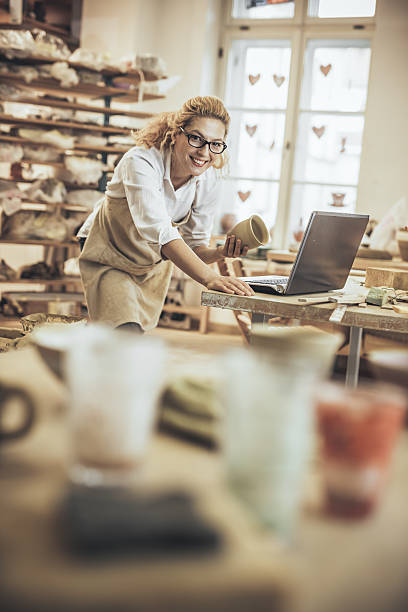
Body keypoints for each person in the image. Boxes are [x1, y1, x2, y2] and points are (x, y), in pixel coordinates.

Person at [77, 95, 254, 333]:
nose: (204, 152)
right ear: (176, 134)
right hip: (108, 255)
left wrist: (220, 253)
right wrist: (210, 279)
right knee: (125, 331)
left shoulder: (208, 180)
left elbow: (195, 248)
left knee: (117, 333)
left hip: (149, 265)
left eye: (215, 144)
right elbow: (160, 231)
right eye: (196, 139)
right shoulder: (140, 161)